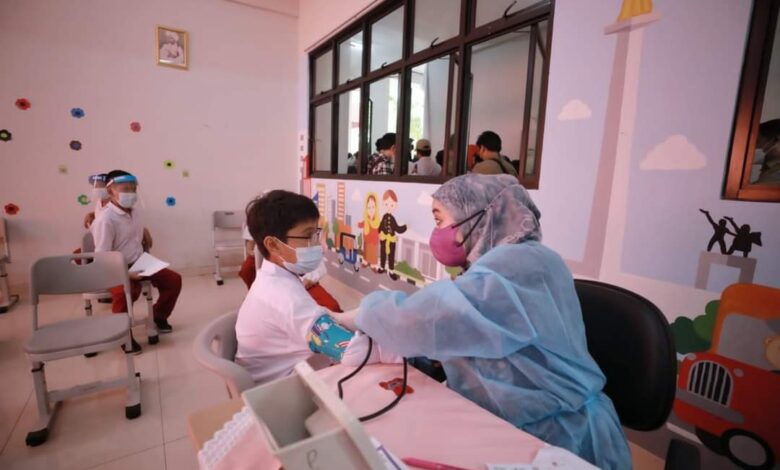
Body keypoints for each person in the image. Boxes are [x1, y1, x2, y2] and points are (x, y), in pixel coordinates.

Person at [335, 174, 631, 470]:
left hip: (560, 439)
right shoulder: (511, 262)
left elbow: (431, 317)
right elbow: (475, 333)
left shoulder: (517, 267)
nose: (438, 233)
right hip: (522, 420)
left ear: (481, 217)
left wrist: (357, 315)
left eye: (439, 220)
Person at [235, 190, 398, 383]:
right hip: (281, 390)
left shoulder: (272, 279)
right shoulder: (284, 297)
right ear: (273, 245)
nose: (317, 244)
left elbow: (323, 320)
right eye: (307, 236)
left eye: (316, 234)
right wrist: (401, 348)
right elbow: (351, 351)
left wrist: (367, 316)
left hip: (282, 375)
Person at [92, 170, 183, 354]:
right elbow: (102, 257)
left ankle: (157, 316)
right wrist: (125, 274)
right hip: (115, 267)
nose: (131, 193)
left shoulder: (135, 212)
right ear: (110, 192)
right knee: (126, 292)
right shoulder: (105, 219)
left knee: (173, 280)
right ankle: (122, 334)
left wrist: (144, 231)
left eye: (133, 189)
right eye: (125, 189)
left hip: (140, 261)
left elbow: (131, 232)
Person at [378, 190, 406, 280]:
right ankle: (382, 267)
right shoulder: (384, 217)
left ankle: (391, 271)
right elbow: (381, 226)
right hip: (384, 240)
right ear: (383, 204)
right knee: (382, 254)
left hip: (391, 241)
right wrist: (378, 232)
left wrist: (405, 227)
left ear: (395, 205)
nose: (389, 207)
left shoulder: (393, 219)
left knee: (391, 256)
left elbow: (397, 228)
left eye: (391, 205)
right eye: (386, 204)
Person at [357, 192, 381, 269]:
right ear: (366, 208)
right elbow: (362, 224)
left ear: (376, 207)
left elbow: (380, 229)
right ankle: (365, 261)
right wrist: (358, 224)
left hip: (374, 241)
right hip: (366, 240)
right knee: (366, 252)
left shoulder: (377, 221)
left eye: (373, 207)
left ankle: (373, 264)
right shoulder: (366, 220)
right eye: (369, 207)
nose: (371, 210)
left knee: (373, 253)